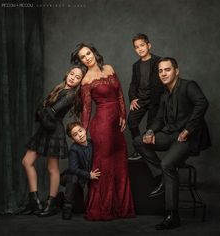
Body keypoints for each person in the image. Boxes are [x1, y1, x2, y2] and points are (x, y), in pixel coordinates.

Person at [133, 57, 211, 230]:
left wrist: (188, 130)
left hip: (187, 137)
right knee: (139, 141)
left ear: (177, 71)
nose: (163, 73)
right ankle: (161, 176)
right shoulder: (164, 94)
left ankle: (172, 215)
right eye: (160, 71)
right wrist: (151, 131)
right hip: (170, 134)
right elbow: (159, 119)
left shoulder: (188, 85)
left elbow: (202, 103)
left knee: (167, 163)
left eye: (167, 70)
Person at [71, 43, 135, 220]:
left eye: (88, 53)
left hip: (116, 125)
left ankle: (121, 208)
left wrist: (123, 115)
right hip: (102, 127)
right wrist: (83, 131)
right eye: (83, 57)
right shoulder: (86, 80)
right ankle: (102, 208)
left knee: (120, 164)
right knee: (104, 166)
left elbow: (120, 93)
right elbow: (86, 109)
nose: (87, 58)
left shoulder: (109, 68)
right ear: (81, 61)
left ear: (94, 52)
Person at [21, 65, 86, 217]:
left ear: (80, 83)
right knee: (27, 161)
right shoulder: (60, 88)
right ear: (67, 73)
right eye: (72, 74)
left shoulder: (70, 95)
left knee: (52, 169)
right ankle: (35, 202)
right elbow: (43, 109)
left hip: (54, 131)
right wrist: (42, 111)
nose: (73, 78)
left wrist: (42, 111)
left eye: (77, 78)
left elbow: (50, 111)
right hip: (45, 129)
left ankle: (50, 205)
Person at [128, 33, 164, 159]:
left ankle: (146, 151)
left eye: (142, 45)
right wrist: (133, 98)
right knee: (131, 122)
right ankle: (139, 150)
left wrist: (161, 99)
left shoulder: (158, 61)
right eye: (137, 47)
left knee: (150, 127)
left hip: (155, 100)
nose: (140, 49)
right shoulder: (136, 65)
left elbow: (162, 82)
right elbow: (133, 84)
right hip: (141, 99)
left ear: (148, 45)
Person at [60, 121, 101, 220]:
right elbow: (73, 169)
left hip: (80, 180)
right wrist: (88, 175)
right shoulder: (74, 149)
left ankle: (60, 198)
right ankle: (67, 206)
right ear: (72, 138)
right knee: (73, 178)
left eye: (80, 131)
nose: (80, 135)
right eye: (75, 135)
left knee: (79, 210)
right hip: (69, 177)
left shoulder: (92, 143)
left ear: (84, 129)